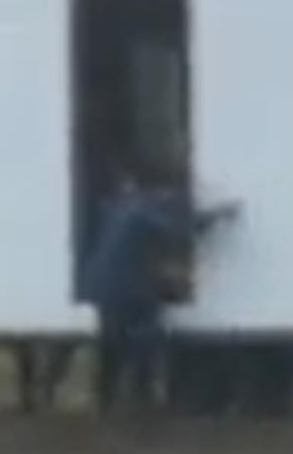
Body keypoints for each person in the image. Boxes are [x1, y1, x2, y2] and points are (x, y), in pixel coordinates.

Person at [78, 169, 239, 415]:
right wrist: (219, 216)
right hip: (126, 287)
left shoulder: (119, 207)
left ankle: (107, 398)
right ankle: (141, 394)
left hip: (102, 286)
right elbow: (180, 229)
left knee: (112, 344)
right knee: (148, 337)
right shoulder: (143, 211)